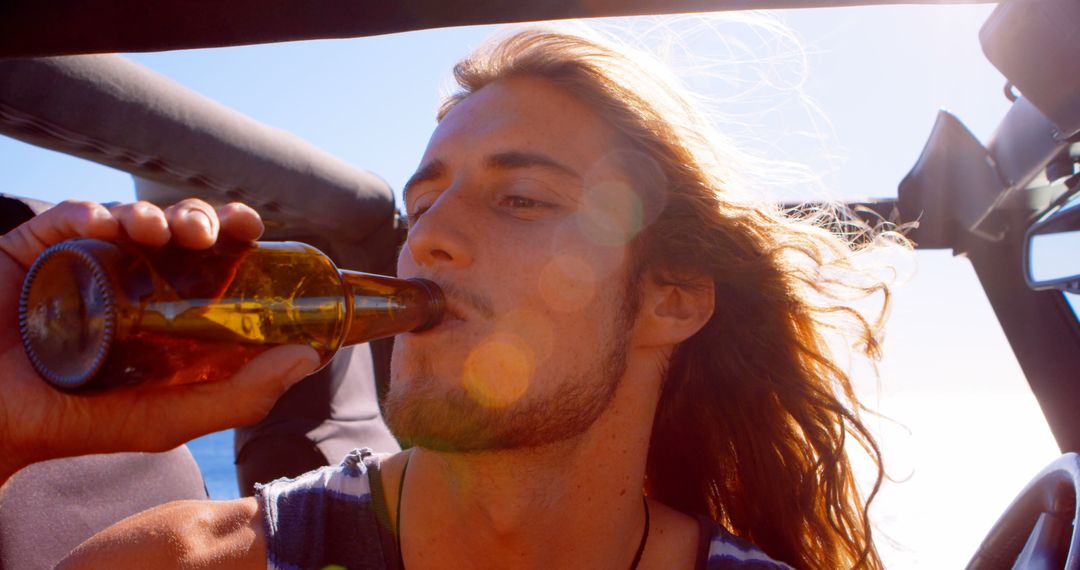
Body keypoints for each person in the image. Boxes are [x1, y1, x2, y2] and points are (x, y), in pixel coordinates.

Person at [0, 27, 896, 569]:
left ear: (670, 300)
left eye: (523, 200)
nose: (425, 238)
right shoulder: (179, 564)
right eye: (421, 202)